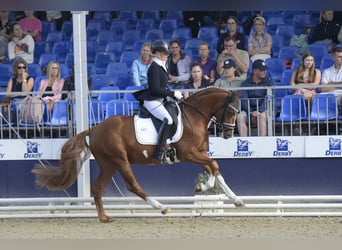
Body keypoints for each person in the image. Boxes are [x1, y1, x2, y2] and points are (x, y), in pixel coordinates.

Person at [133, 39, 183, 162]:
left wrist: (170, 95)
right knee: (168, 120)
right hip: (152, 100)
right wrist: (172, 93)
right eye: (165, 54)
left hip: (160, 99)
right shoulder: (154, 67)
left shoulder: (161, 66)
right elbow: (155, 89)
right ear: (158, 54)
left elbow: (162, 87)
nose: (167, 56)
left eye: (167, 54)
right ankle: (159, 152)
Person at [237, 59, 274, 137]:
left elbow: (268, 99)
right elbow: (244, 99)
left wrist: (259, 111)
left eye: (265, 70)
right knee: (240, 116)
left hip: (264, 110)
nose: (264, 72)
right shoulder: (245, 83)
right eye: (262, 70)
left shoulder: (270, 82)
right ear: (254, 71)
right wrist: (251, 112)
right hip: (249, 111)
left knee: (262, 116)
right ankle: (244, 143)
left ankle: (262, 142)